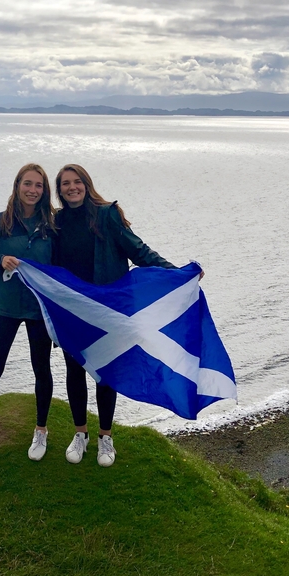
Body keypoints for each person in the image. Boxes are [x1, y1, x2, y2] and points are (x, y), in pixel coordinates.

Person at [53, 164, 177, 467]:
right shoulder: (55, 222)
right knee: (75, 371)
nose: (72, 187)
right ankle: (79, 434)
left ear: (86, 183)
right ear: (59, 190)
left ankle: (105, 438)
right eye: (65, 183)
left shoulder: (106, 214)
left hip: (107, 310)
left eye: (77, 181)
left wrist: (176, 273)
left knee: (107, 373)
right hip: (72, 310)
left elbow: (138, 250)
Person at [0, 163, 55, 460]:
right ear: (17, 185)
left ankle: (41, 430)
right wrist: (0, 259)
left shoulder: (52, 224)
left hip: (39, 309)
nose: (33, 190)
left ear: (45, 191)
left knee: (41, 369)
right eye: (28, 184)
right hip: (6, 307)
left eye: (39, 186)